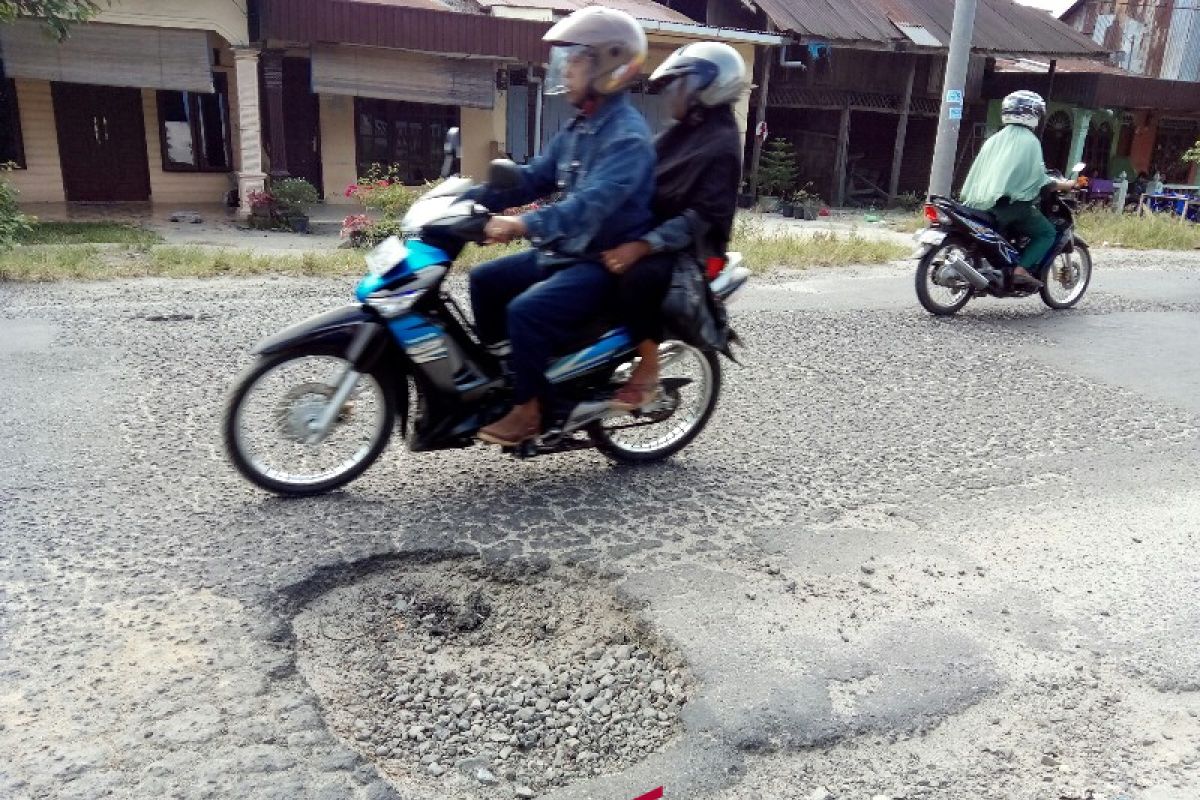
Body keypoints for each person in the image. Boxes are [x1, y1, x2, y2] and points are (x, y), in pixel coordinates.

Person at [467, 7, 656, 446]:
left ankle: (530, 411)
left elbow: (589, 207)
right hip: (568, 249)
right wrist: (467, 199)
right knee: (485, 280)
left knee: (526, 312)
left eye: (575, 61)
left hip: (600, 259)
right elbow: (534, 177)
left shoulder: (626, 136)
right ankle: (511, 375)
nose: (566, 70)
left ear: (607, 66)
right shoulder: (580, 125)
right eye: (566, 61)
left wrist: (521, 224)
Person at [600, 42, 747, 409]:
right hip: (652, 230)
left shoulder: (722, 144)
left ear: (708, 87)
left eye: (679, 84)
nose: (671, 93)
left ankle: (648, 368)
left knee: (635, 281)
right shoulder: (681, 133)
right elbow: (637, 170)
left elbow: (701, 217)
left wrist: (642, 245)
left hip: (686, 250)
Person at [958, 90, 1081, 289]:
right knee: (1047, 233)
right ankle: (1021, 271)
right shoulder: (1029, 141)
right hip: (1010, 206)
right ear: (1033, 114)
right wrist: (1067, 185)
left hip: (979, 202)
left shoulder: (994, 139)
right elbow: (1039, 179)